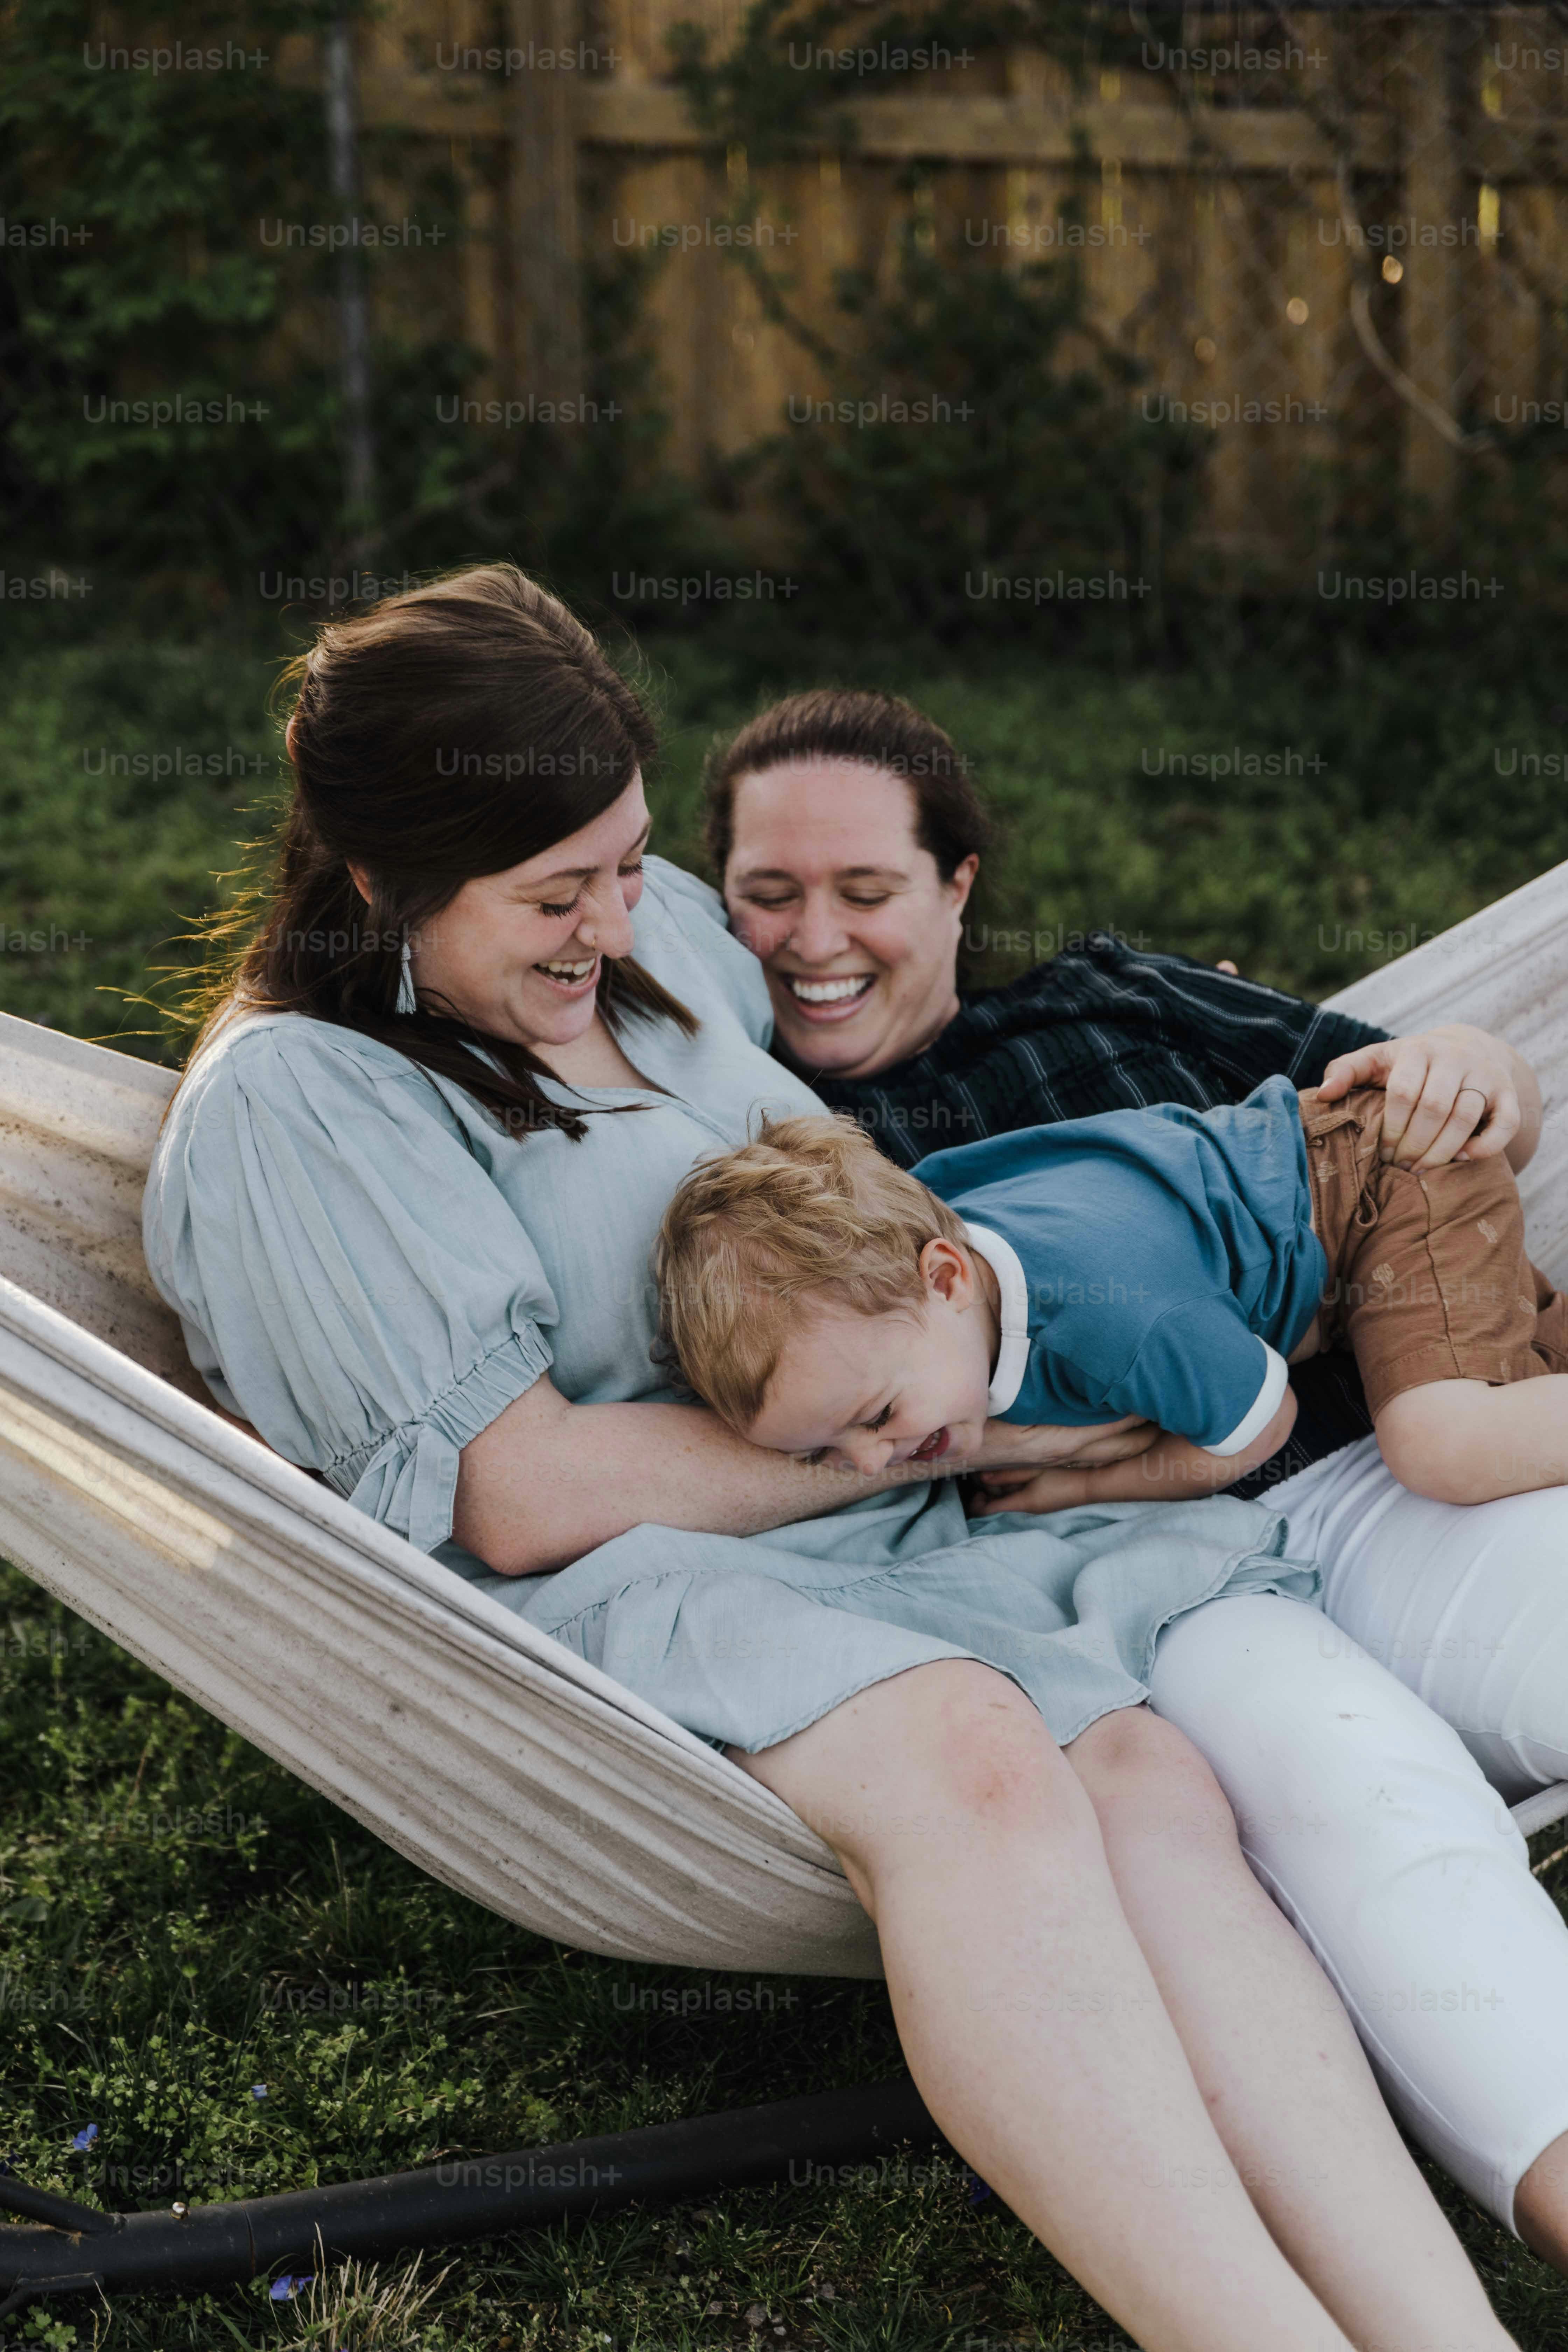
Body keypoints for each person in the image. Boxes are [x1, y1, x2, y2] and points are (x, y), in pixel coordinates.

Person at [140, 567, 1544, 2347]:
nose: (611, 920)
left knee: (1155, 1791)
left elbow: (865, 1023)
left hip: (892, 1535)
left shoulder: (649, 941)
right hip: (608, 1585)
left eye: (629, 863)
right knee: (976, 1759)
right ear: (374, 881)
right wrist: (931, 1442)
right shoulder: (302, 1104)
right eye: (551, 894)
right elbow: (517, 1491)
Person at [707, 683, 1568, 2263]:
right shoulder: (746, 1160)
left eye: (863, 890)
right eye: (764, 895)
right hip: (1139, 1605)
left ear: (956, 885)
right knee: (1364, 1807)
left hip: (1373, 1449)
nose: (810, 938)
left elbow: (1403, 1109)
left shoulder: (1105, 1010)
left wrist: (1476, 1066)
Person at [655, 1087, 1568, 1510]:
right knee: (1526, 1360)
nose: (870, 1460)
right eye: (827, 1455)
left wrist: (1082, 1483)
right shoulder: (934, 1276)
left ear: (944, 1276)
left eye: (875, 1415)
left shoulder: (1107, 1321)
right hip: (1335, 1194)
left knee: (1446, 1444)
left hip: (1385, 1189)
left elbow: (1259, 1423)